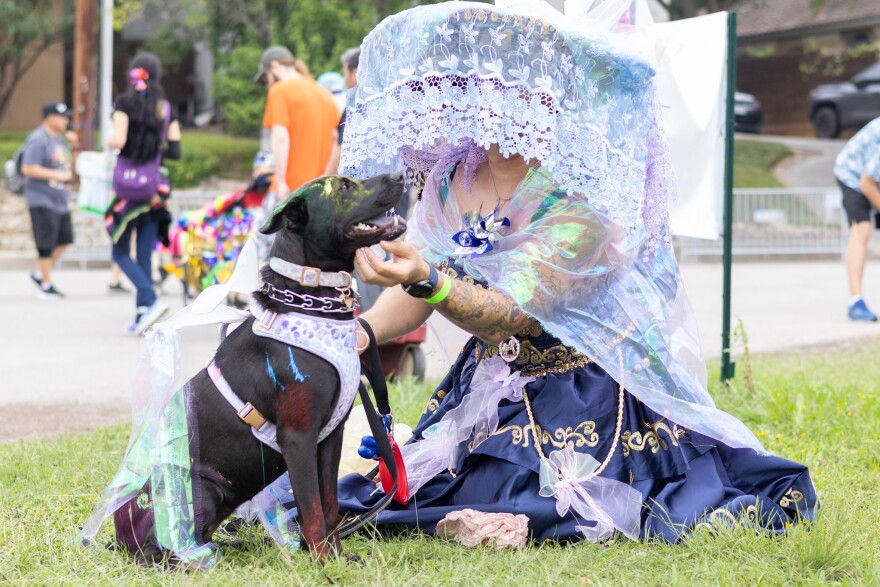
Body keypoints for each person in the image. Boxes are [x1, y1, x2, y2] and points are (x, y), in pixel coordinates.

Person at [330, 1, 817, 543]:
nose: (475, 93)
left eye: (495, 81)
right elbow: (423, 279)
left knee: (521, 499)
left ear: (539, 93)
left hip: (583, 388)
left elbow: (509, 315)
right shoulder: (453, 178)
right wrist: (367, 330)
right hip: (492, 382)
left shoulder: (582, 195)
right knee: (420, 491)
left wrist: (425, 276)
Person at [105, 52, 181, 334]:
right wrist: (154, 148)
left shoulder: (123, 103)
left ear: (133, 74)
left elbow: (120, 140)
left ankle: (149, 298)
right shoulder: (165, 108)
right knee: (145, 252)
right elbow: (176, 150)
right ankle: (142, 314)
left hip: (129, 185)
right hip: (155, 187)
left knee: (119, 249)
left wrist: (110, 139)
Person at [254, 46, 340, 199]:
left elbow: (280, 137)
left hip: (291, 189)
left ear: (274, 66)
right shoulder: (322, 92)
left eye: (266, 78)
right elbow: (336, 139)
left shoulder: (280, 91)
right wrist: (326, 174)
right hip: (318, 190)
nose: (268, 84)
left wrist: (280, 182)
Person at [20, 102, 76, 300]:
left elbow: (67, 165)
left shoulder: (60, 139)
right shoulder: (38, 138)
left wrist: (73, 145)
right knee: (45, 242)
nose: (66, 121)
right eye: (63, 117)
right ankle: (46, 284)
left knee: (65, 238)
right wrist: (58, 176)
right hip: (41, 198)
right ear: (51, 117)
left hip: (59, 199)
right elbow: (27, 168)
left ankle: (38, 274)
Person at [834, 115, 880, 321]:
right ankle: (856, 302)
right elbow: (866, 182)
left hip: (872, 177)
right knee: (861, 228)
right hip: (853, 175)